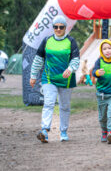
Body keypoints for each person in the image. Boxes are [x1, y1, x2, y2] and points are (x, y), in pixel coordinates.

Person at [30, 15, 80, 143]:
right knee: (48, 103)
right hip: (49, 78)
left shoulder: (71, 41)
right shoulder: (46, 40)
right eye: (56, 27)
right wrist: (33, 76)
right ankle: (44, 131)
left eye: (61, 27)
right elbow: (38, 59)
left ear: (65, 28)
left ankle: (63, 131)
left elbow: (75, 59)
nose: (58, 29)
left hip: (66, 79)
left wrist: (70, 68)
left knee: (64, 106)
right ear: (53, 27)